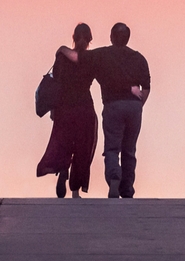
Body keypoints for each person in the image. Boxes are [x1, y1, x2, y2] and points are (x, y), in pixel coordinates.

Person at [59, 22, 150, 198]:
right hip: (133, 106)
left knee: (112, 148)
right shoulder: (139, 58)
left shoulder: (102, 55)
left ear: (111, 37)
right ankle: (127, 189)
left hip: (113, 105)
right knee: (129, 149)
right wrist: (139, 105)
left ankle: (114, 177)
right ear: (128, 38)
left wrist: (62, 49)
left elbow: (78, 57)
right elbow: (146, 86)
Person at [36, 23, 98, 198]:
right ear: (90, 40)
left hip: (64, 107)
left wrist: (53, 110)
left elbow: (57, 83)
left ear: (73, 37)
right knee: (82, 146)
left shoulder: (62, 57)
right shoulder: (91, 59)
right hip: (84, 107)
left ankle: (63, 169)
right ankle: (75, 190)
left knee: (63, 142)